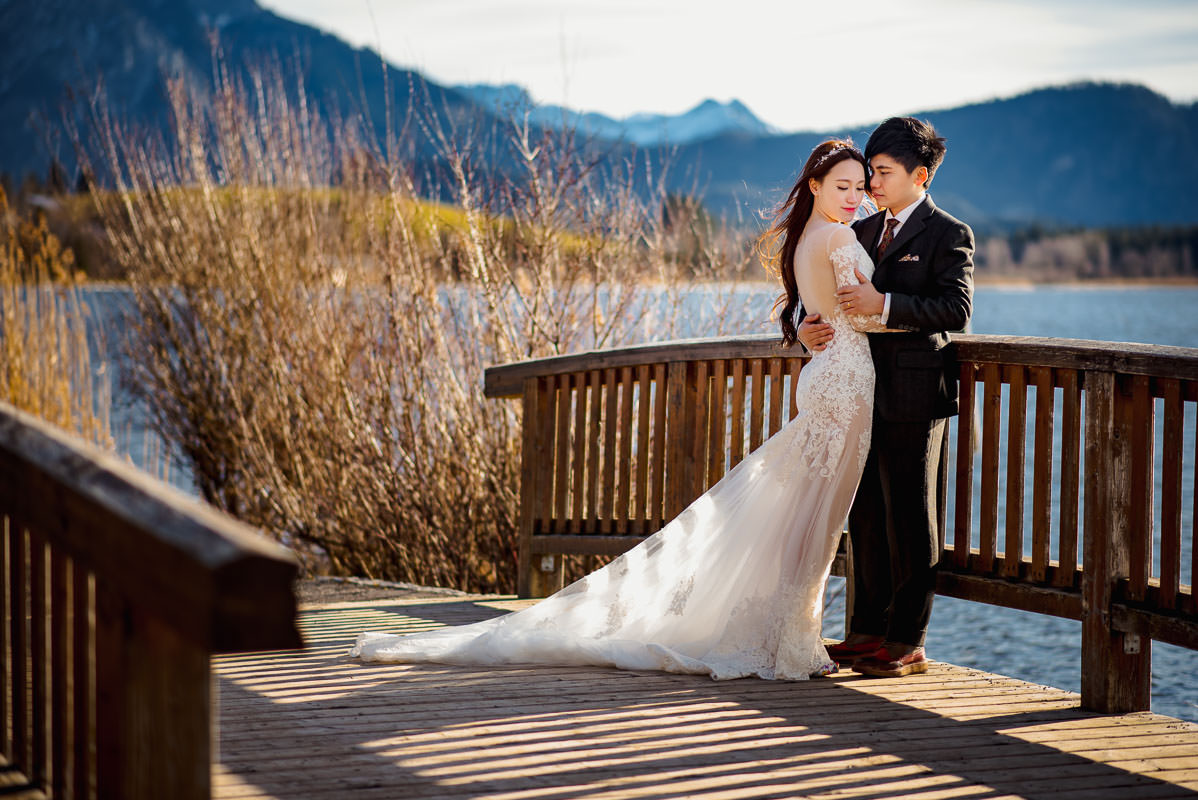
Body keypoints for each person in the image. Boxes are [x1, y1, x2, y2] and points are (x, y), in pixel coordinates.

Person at [351, 139, 899, 680]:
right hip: (845, 384)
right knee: (818, 520)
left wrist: (812, 328)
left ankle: (790, 636)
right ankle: (793, 643)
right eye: (842, 186)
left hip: (824, 378)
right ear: (815, 186)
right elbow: (863, 315)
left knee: (803, 515)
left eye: (860, 187)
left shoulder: (804, 238)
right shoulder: (838, 237)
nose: (854, 198)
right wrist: (905, 313)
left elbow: (821, 310)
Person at [799, 117, 974, 678]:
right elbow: (825, 297)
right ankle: (865, 632)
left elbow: (957, 310)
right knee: (867, 512)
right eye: (869, 172)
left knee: (911, 513)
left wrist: (886, 304)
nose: (871, 184)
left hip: (917, 392)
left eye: (882, 172)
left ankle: (907, 640)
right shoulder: (863, 228)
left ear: (920, 175)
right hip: (860, 388)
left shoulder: (949, 232)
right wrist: (805, 328)